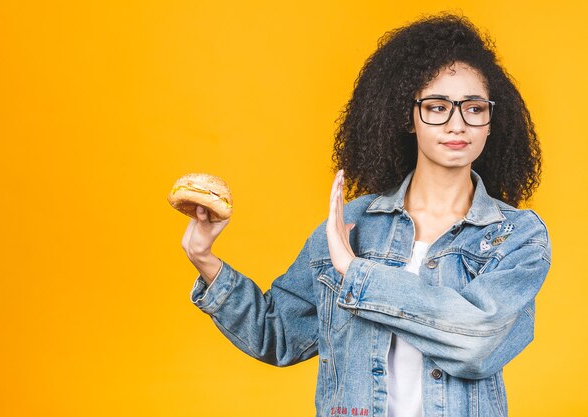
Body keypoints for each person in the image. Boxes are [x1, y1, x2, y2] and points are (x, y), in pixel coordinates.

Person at [180, 13, 551, 417]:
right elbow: (279, 335)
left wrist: (355, 273)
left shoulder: (515, 236)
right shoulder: (352, 226)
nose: (457, 123)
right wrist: (206, 261)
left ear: (492, 121)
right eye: (437, 106)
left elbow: (477, 340)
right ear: (406, 116)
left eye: (474, 108)